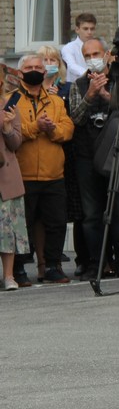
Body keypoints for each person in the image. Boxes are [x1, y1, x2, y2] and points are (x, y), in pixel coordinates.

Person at [68, 36, 119, 280]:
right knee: (92, 215)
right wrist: (90, 95)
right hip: (87, 156)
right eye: (87, 56)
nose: (92, 59)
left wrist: (108, 96)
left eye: (96, 54)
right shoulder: (78, 84)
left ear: (106, 55)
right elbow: (75, 119)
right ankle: (97, 263)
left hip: (117, 154)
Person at [12, 54, 74, 285]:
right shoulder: (11, 100)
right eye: (29, 67)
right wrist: (35, 127)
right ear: (20, 72)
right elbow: (11, 131)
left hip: (53, 173)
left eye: (38, 67)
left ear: (45, 72)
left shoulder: (56, 101)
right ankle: (18, 269)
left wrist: (52, 130)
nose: (34, 70)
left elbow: (68, 130)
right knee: (23, 225)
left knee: (56, 223)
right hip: (23, 173)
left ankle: (52, 266)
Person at [0, 103, 28, 290]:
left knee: (8, 229)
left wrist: (8, 128)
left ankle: (9, 276)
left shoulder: (8, 107)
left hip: (6, 176)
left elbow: (16, 143)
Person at [60, 13, 98, 84]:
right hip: (75, 86)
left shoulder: (98, 46)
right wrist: (89, 74)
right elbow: (72, 66)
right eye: (85, 29)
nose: (89, 32)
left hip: (95, 84)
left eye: (92, 29)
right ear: (77, 30)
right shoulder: (68, 47)